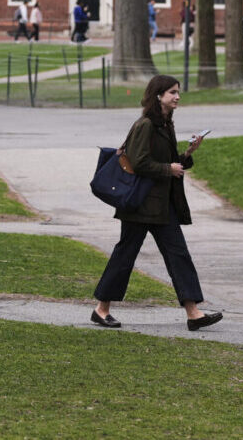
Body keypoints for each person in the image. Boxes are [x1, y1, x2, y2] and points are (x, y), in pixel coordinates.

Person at [91, 74, 222, 332]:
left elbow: (171, 162)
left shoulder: (165, 124)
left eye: (178, 92)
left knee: (178, 255)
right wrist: (167, 169)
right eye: (172, 92)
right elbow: (138, 162)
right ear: (158, 95)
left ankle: (193, 313)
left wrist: (188, 153)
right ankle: (101, 309)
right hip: (139, 205)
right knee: (125, 256)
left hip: (162, 205)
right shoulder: (146, 125)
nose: (177, 97)